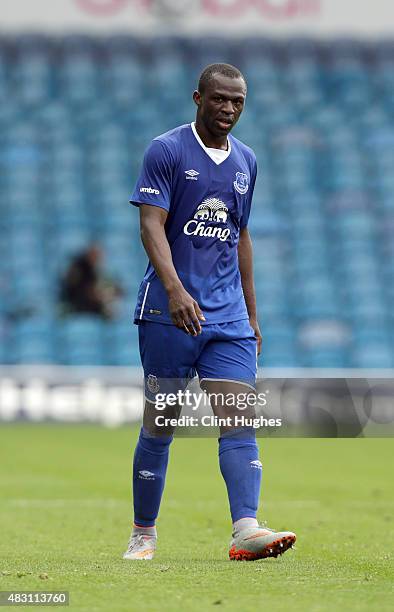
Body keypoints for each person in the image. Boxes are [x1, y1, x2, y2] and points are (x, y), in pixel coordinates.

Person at [124, 64, 296, 561]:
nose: (228, 110)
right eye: (219, 100)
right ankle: (144, 531)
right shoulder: (167, 150)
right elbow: (151, 227)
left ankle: (246, 530)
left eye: (237, 102)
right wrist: (176, 291)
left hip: (228, 320)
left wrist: (252, 313)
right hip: (168, 313)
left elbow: (241, 235)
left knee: (239, 418)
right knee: (161, 424)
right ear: (197, 97)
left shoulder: (247, 161)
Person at [59, 244, 122, 319]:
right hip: (76, 305)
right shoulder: (79, 268)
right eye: (95, 255)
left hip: (91, 306)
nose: (98, 259)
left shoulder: (96, 272)